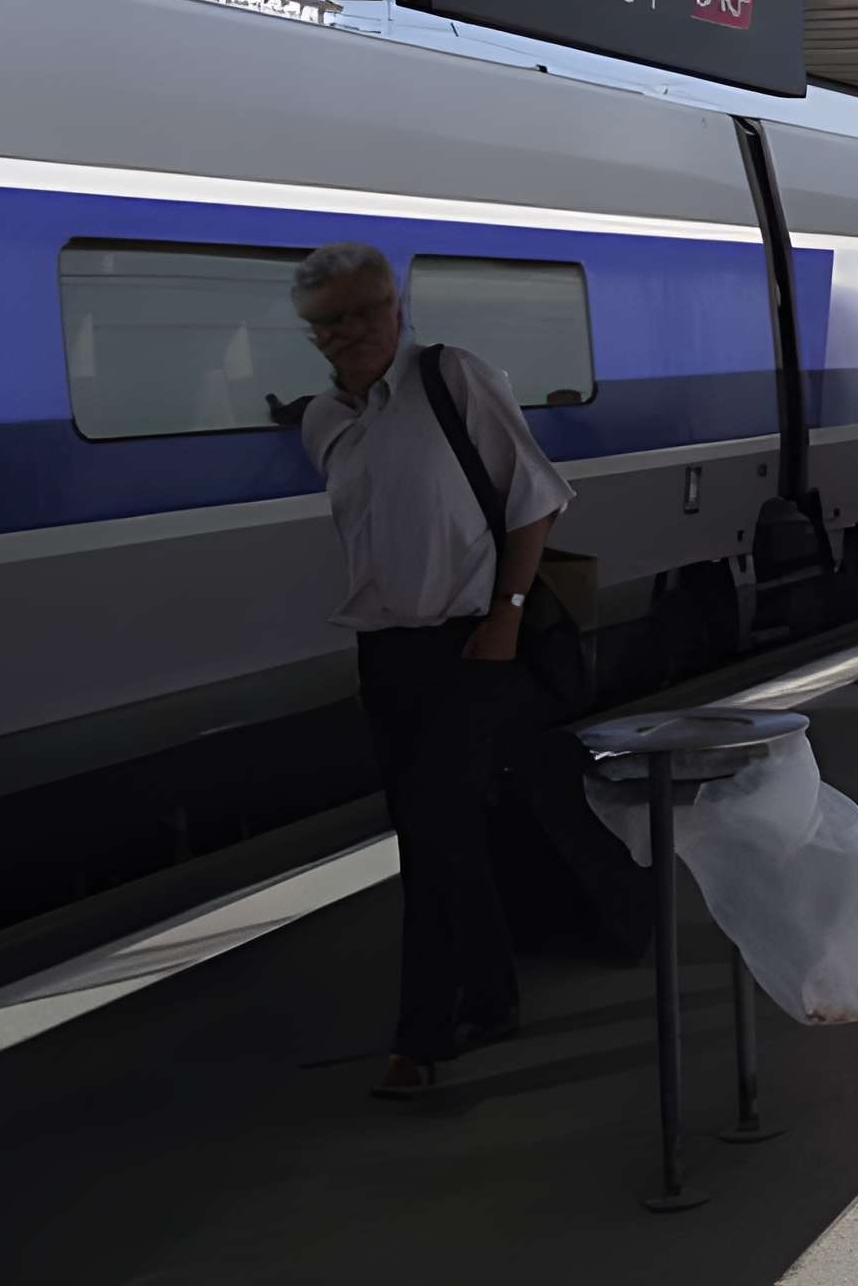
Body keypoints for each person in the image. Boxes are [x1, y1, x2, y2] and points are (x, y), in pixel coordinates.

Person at [293, 241, 574, 1099]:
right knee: (433, 832)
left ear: (397, 307)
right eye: (329, 321)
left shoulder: (453, 380)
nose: (349, 332)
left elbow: (535, 497)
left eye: (363, 311)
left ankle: (422, 1040)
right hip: (387, 654)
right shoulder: (323, 422)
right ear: (311, 334)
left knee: (436, 834)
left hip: (469, 644)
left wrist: (506, 617)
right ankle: (492, 995)